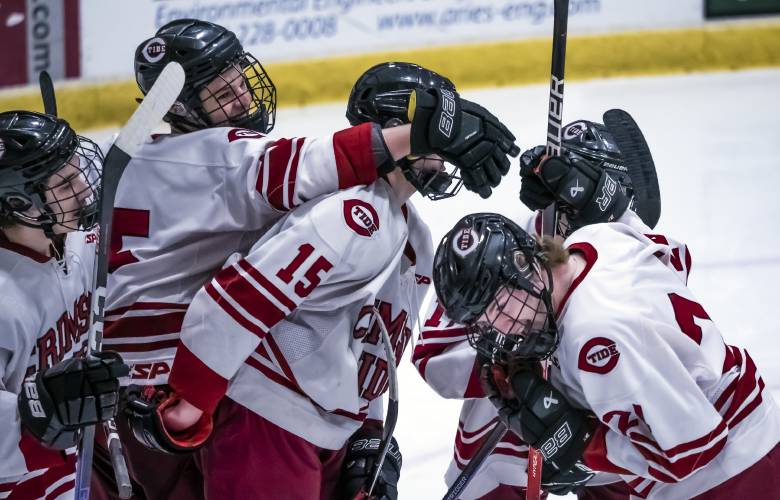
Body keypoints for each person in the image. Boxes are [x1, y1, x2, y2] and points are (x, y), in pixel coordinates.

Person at [92, 17, 519, 498]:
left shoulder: (123, 163)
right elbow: (311, 166)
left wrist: (368, 437)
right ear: (181, 109)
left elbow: (362, 338)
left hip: (125, 389)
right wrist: (423, 133)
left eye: (238, 80)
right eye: (220, 92)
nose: (240, 98)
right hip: (180, 391)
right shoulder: (235, 162)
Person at [430, 205, 780, 497]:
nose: (501, 329)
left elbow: (694, 447)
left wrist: (586, 446)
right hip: (758, 433)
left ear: (524, 270)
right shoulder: (594, 239)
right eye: (486, 321)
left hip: (728, 478)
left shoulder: (595, 340)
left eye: (501, 308)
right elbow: (675, 260)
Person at [412, 117, 641, 499]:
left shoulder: (629, 244)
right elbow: (431, 357)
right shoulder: (499, 254)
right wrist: (512, 361)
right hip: (507, 451)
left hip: (610, 443)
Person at [0, 111, 127, 499]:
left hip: (59, 450)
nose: (86, 190)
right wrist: (35, 409)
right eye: (67, 182)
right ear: (21, 203)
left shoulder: (78, 242)